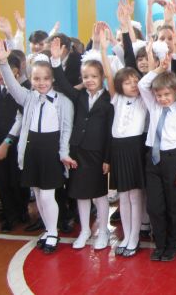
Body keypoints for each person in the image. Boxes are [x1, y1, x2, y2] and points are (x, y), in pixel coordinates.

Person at [0, 39, 75, 254]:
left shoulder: (63, 101)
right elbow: (12, 85)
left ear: (52, 79)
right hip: (32, 149)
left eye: (46, 78)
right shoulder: (28, 98)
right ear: (30, 79)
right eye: (36, 79)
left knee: (48, 195)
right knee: (38, 194)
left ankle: (53, 232)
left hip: (51, 151)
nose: (41, 83)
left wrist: (63, 152)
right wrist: (3, 62)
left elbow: (66, 130)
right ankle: (48, 229)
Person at [50, 39, 113, 250]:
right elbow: (61, 82)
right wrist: (56, 60)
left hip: (97, 154)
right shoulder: (78, 96)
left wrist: (107, 158)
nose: (90, 80)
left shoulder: (109, 100)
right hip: (78, 151)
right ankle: (85, 230)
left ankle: (103, 230)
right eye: (86, 77)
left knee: (99, 194)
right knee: (80, 192)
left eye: (94, 76)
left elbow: (110, 133)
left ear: (102, 77)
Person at [138, 53, 176, 263]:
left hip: (174, 160)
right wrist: (160, 69)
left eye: (166, 94)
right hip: (153, 159)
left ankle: (172, 245)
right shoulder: (153, 106)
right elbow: (143, 84)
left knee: (173, 206)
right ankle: (159, 244)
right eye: (158, 95)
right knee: (154, 206)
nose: (162, 98)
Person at [100, 32, 147, 258]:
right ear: (120, 86)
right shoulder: (116, 98)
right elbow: (109, 74)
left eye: (136, 81)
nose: (133, 85)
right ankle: (127, 235)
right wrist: (103, 48)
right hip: (118, 149)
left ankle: (134, 238)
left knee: (135, 196)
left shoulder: (144, 99)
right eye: (127, 82)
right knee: (123, 196)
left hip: (135, 148)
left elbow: (147, 75)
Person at [0, 54, 31, 233]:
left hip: (16, 141)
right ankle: (10, 214)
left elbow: (21, 118)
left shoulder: (24, 90)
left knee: (17, 179)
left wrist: (7, 142)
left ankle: (22, 210)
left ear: (15, 71)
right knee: (2, 180)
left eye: (2, 70)